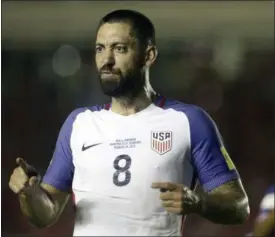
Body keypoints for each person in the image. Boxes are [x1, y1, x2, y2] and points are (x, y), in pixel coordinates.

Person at [9, 9, 250, 236]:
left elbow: (239, 206)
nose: (107, 60)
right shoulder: (79, 123)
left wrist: (198, 203)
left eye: (120, 48)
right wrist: (28, 192)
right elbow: (45, 215)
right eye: (100, 49)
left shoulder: (188, 121)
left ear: (149, 55)